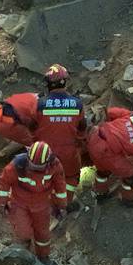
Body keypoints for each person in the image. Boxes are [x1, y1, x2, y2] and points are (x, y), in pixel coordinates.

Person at [0, 141, 66, 260]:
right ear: (28, 157)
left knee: (43, 235)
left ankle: (43, 258)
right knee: (24, 232)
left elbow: (60, 186)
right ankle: (23, 254)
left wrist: (61, 206)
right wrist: (2, 202)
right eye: (33, 166)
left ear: (48, 161)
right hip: (20, 204)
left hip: (42, 205)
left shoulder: (55, 166)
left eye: (40, 167)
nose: (36, 170)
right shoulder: (17, 166)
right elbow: (4, 182)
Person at [33, 64, 87, 205]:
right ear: (65, 82)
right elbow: (82, 129)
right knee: (71, 177)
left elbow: (31, 129)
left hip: (45, 152)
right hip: (69, 152)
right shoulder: (77, 104)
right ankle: (65, 203)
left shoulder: (39, 104)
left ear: (48, 84)